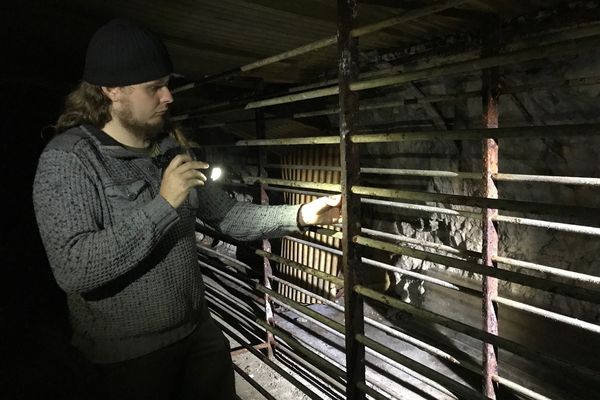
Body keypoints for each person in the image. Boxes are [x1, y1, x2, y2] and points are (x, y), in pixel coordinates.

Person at [32, 18, 341, 400]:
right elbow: (74, 269)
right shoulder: (70, 160)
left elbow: (227, 215)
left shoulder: (170, 150)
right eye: (154, 88)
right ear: (112, 90)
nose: (169, 97)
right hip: (128, 361)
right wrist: (163, 205)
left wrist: (300, 215)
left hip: (198, 337)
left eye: (167, 84)